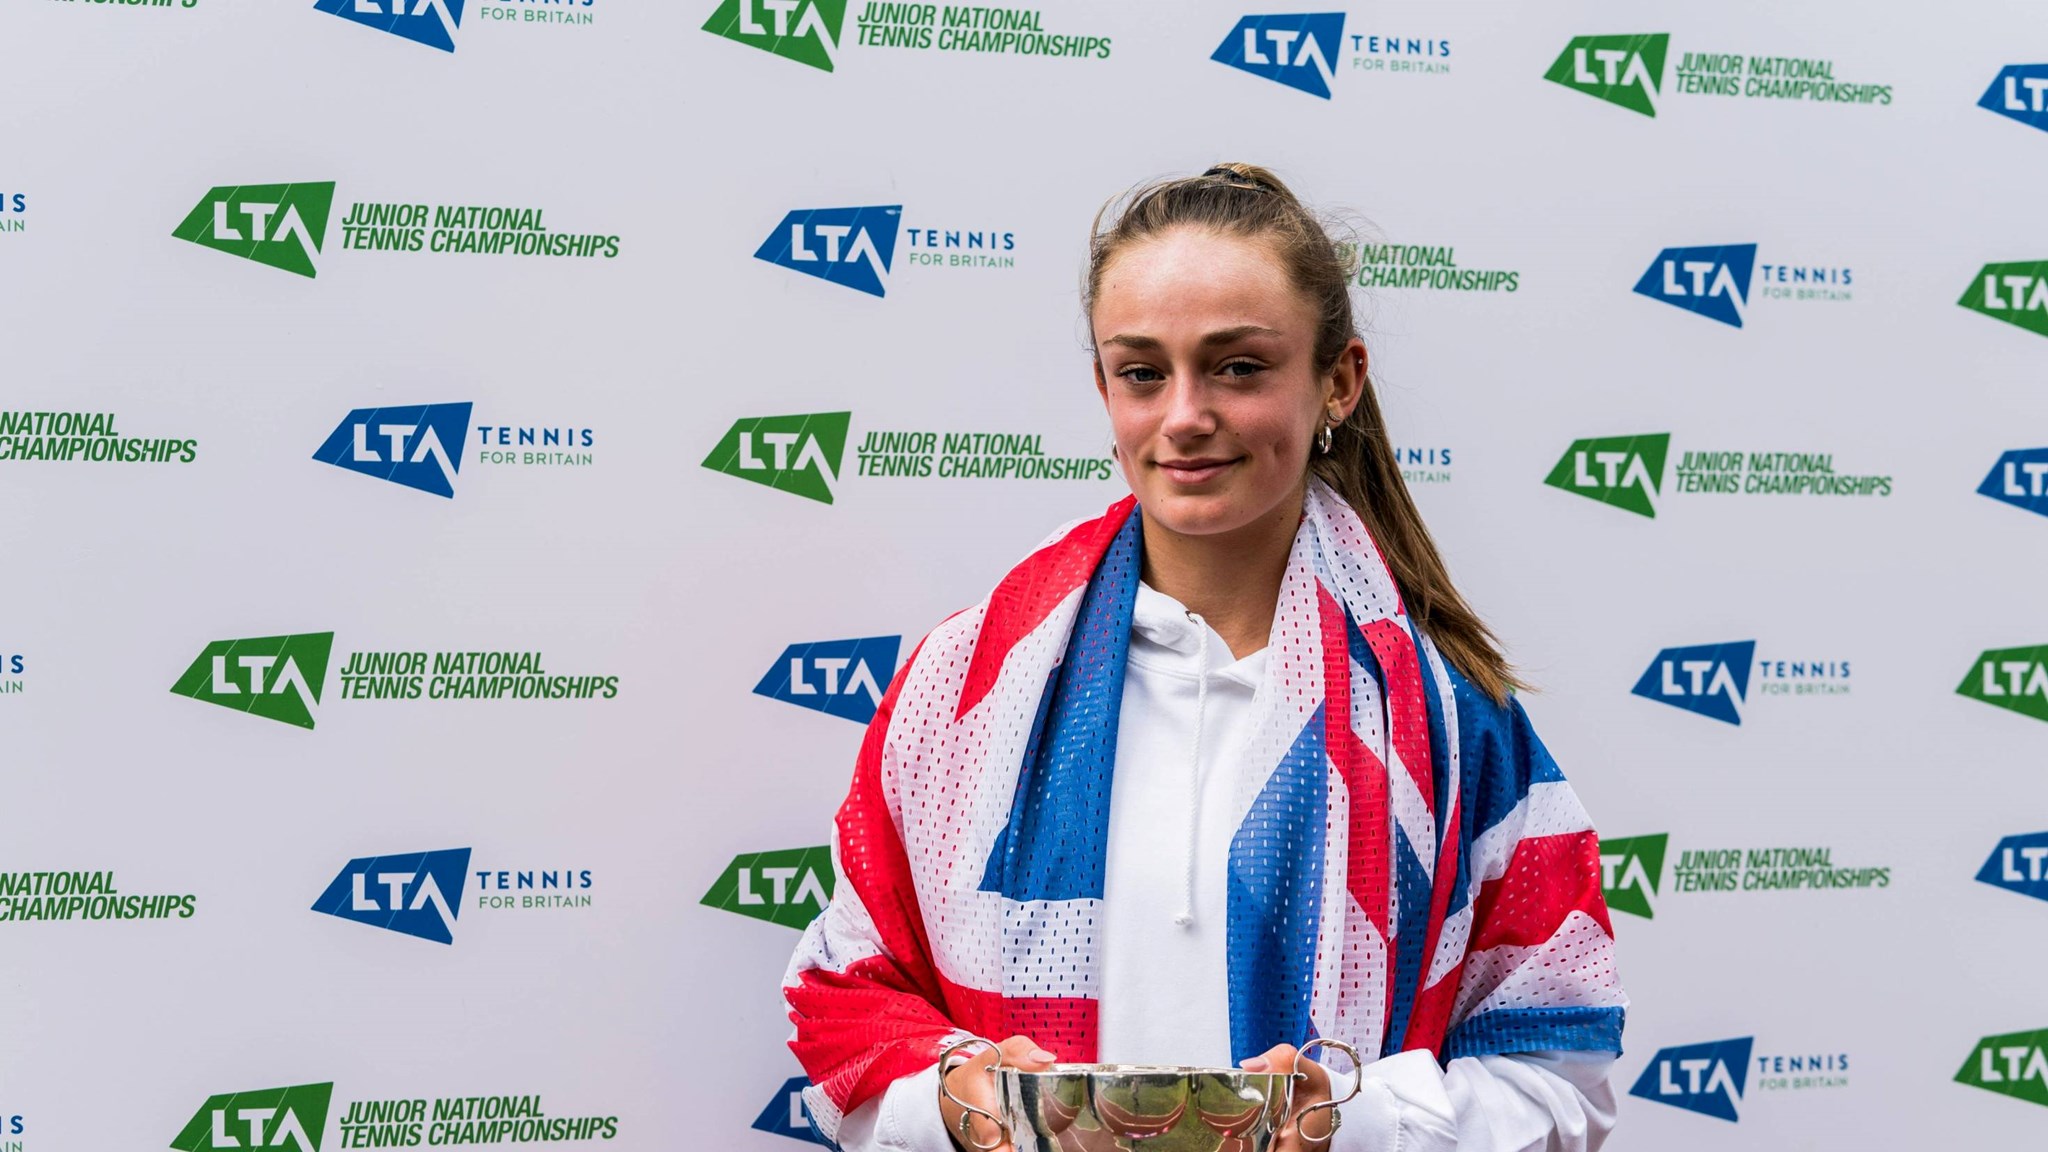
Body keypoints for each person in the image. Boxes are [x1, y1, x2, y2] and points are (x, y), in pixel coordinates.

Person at [781, 163, 1626, 1152]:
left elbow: (1560, 1080)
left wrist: (1354, 1125)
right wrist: (959, 1107)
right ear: (1104, 387)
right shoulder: (960, 687)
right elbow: (847, 1008)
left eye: (1236, 366)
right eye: (1143, 372)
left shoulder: (1449, 718)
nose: (1184, 414)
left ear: (1336, 382)